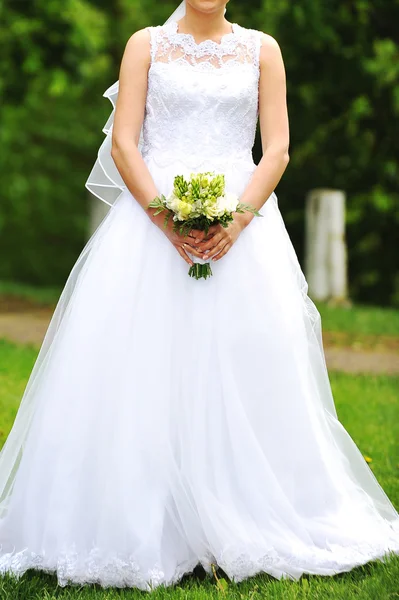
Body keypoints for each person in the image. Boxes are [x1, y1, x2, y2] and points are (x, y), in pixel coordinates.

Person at [0, 0, 398, 591]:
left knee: (246, 365)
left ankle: (243, 507)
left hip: (245, 228)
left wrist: (235, 222)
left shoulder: (263, 49)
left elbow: (278, 149)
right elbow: (125, 145)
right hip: (148, 227)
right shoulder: (145, 46)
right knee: (141, 366)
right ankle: (144, 517)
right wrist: (166, 217)